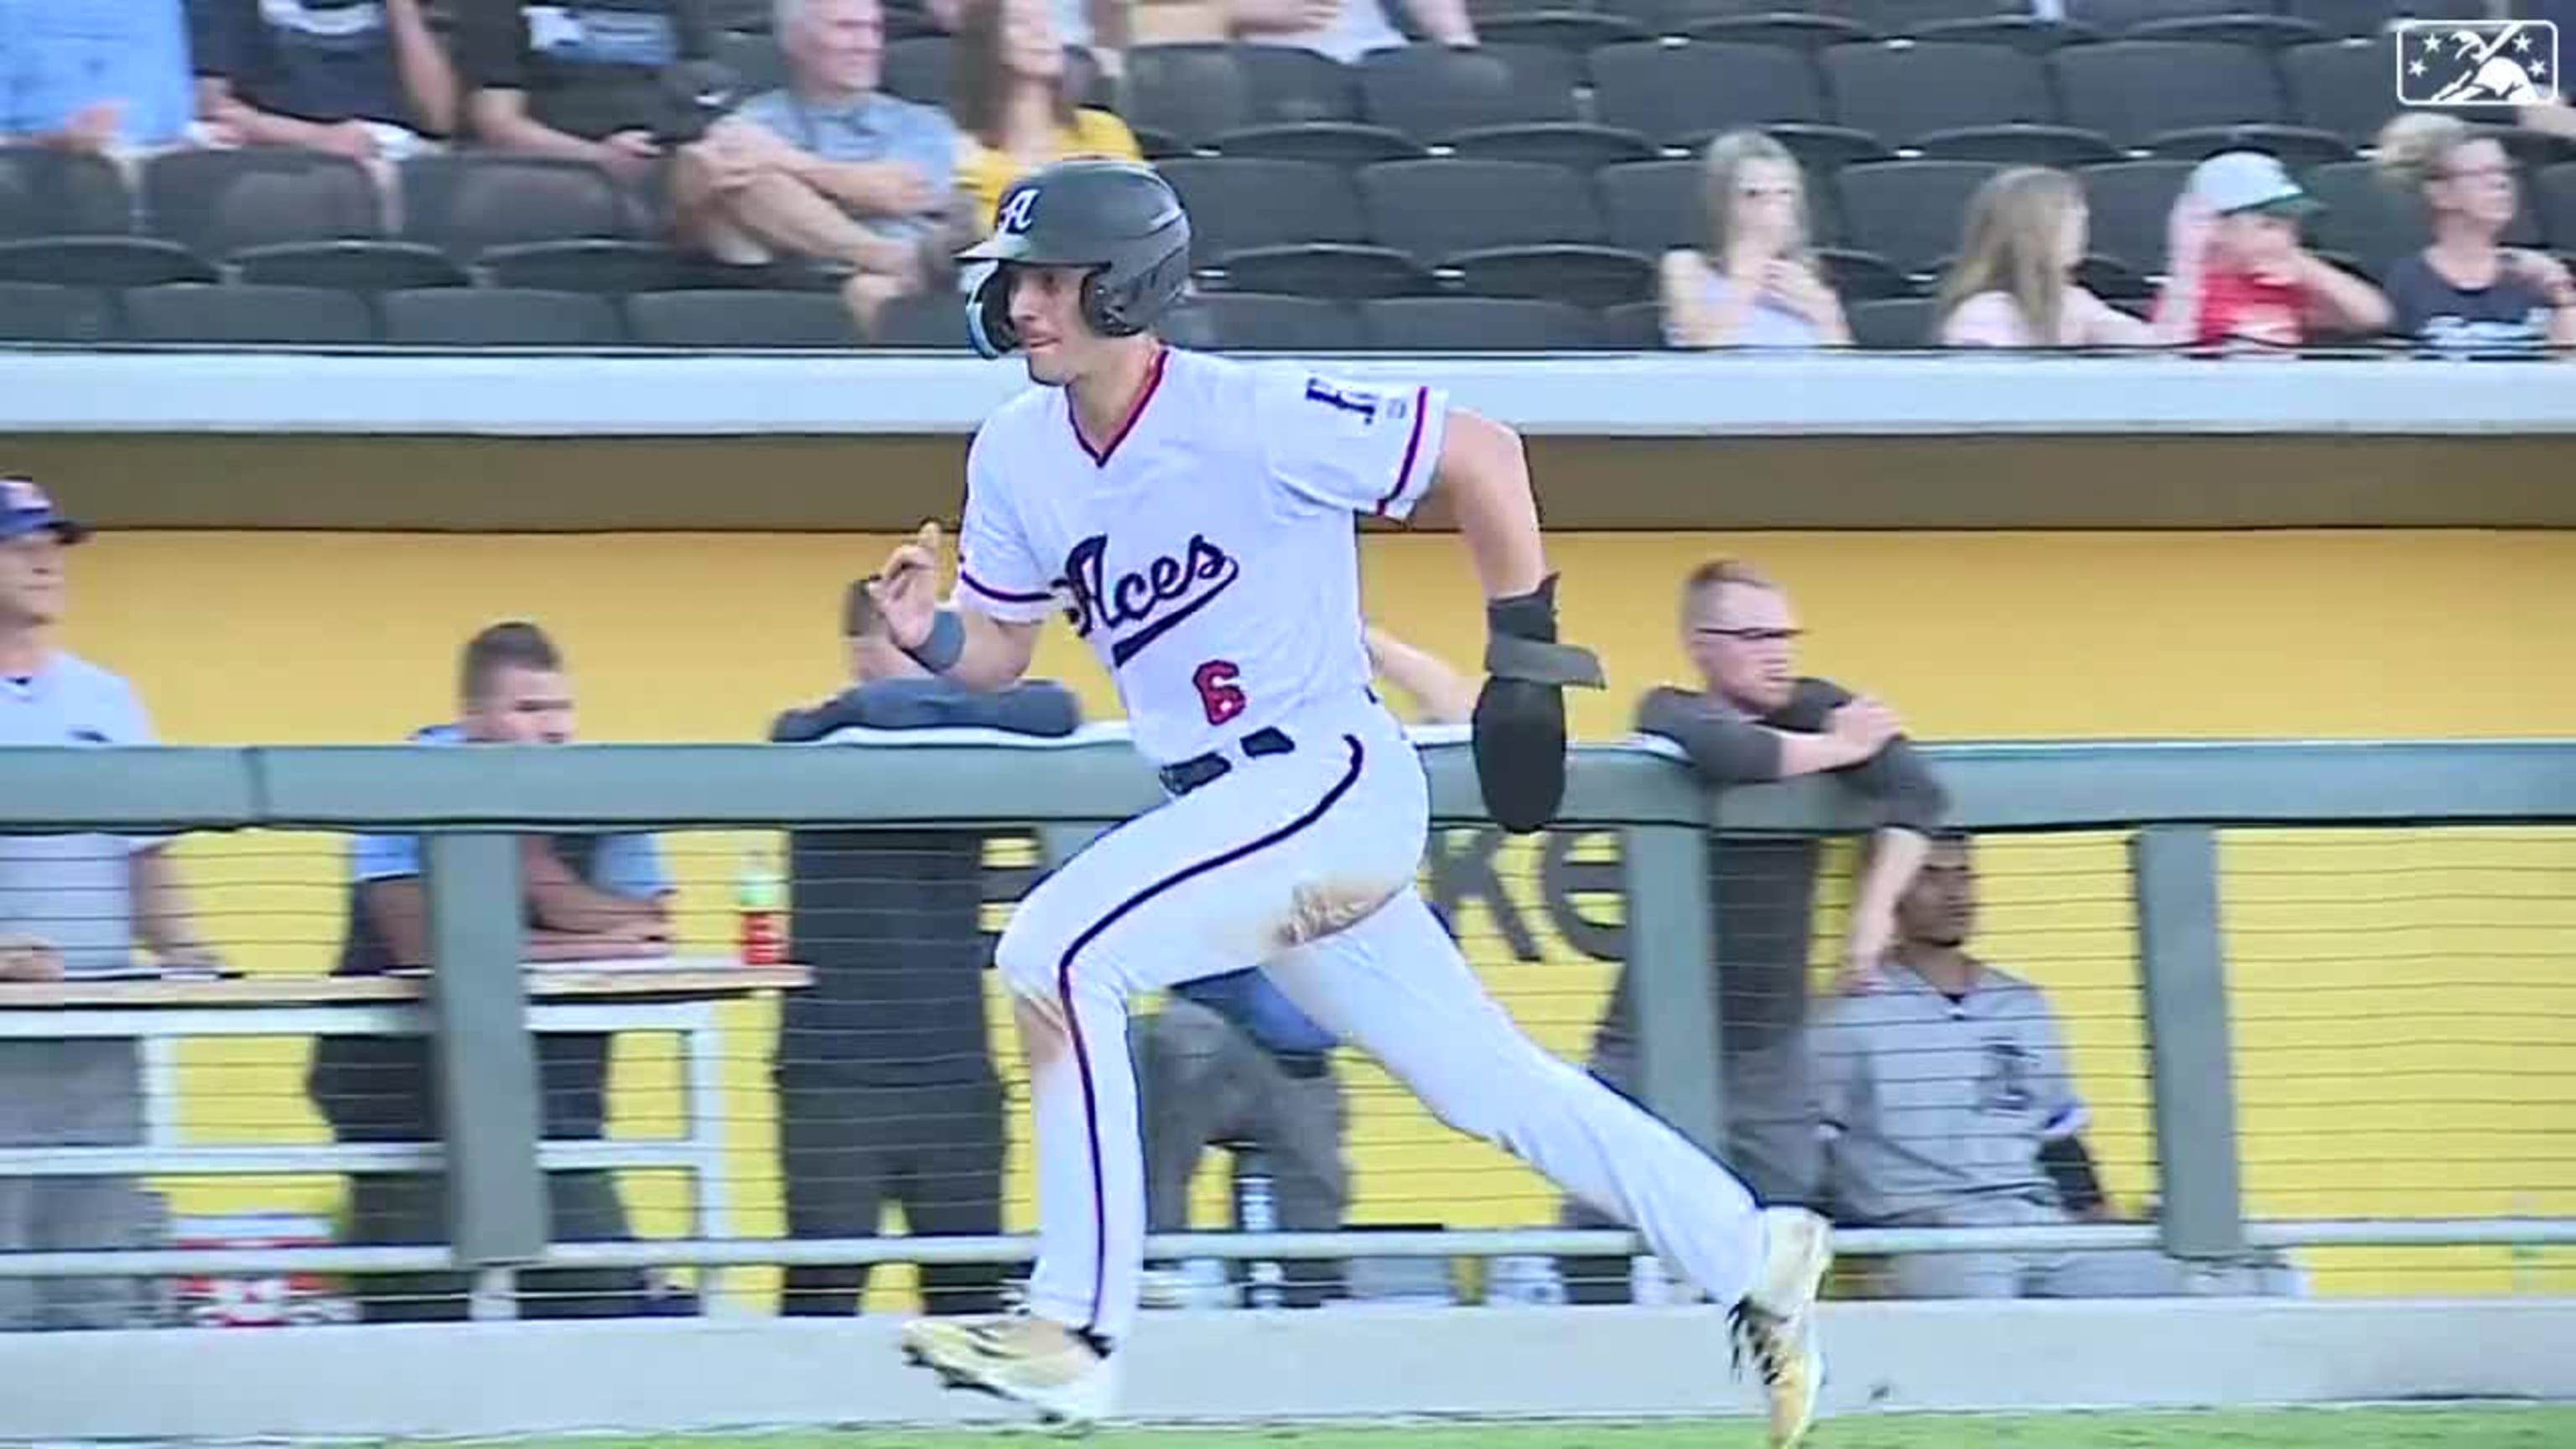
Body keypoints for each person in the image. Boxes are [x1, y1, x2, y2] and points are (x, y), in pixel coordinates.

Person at [874, 158, 1830, 1446]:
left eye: (1055, 279)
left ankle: (1077, 1329)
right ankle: (1751, 1249)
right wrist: (930, 639)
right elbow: (1000, 653)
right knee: (1490, 1084)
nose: (1027, 304)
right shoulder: (1015, 452)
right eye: (1020, 280)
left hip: (1318, 778)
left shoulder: (1252, 413)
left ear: (1132, 283)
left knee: (1056, 953)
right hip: (1241, 815)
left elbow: (1480, 452)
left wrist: (1526, 654)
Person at [307, 621, 682, 1322]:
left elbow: (656, 926)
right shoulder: (400, 784)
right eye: (529, 711)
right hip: (403, 1096)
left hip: (553, 1098)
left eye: (562, 709)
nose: (555, 729)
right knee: (416, 1313)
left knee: (596, 1298)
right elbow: (426, 946)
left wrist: (540, 880)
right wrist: (585, 929)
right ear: (473, 720)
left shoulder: (605, 787)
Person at [766, 577, 1081, 1318]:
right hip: (834, 1084)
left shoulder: (963, 747)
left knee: (970, 1302)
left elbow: (1058, 711)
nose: (936, 661)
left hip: (957, 1082)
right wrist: (976, 701)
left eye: (942, 643)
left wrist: (963, 698)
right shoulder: (819, 735)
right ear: (859, 653)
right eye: (912, 642)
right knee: (821, 1302)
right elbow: (874, 714)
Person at [1814, 833, 2285, 1300]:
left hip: (2039, 1226)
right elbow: (1812, 1152)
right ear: (1888, 888)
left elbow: (2057, 1134)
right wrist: (1870, 1241)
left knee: (2210, 1281)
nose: (1955, 893)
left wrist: (2097, 1214)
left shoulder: (2020, 1004)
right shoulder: (1846, 1017)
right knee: (1984, 1316)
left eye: (1965, 875)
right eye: (1931, 877)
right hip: (1934, 1238)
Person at [0, 477, 221, 1332]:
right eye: (20, 542)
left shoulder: (106, 697)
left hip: (98, 1033)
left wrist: (189, 957)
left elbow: (146, 856)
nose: (45, 560)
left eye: (53, 543)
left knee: (97, 1270)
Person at [673, 0, 958, 332]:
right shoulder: (754, 118)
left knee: (871, 290)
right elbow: (719, 178)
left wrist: (783, 161)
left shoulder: (923, 122)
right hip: (791, 276)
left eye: (874, 29)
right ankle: (890, 257)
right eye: (846, 28)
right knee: (736, 180)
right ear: (795, 40)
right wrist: (849, 191)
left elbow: (900, 193)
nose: (867, 44)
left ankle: (891, 263)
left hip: (907, 286)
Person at [2371, 112, 2576, 358]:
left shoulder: (2539, 275)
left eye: (2505, 172)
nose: (2501, 183)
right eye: (2484, 173)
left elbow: (2566, 368)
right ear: (2440, 193)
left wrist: (2562, 296)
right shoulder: (2407, 281)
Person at [2152, 151, 2390, 351]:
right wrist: (2188, 263)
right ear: (2216, 228)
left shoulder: (2289, 285)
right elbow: (2171, 347)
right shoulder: (2191, 289)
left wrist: (2303, 265)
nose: (2285, 238)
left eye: (2292, 227)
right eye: (2269, 226)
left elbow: (2371, 318)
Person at [188, 0, 461, 172]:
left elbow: (439, 118)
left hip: (393, 153)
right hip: (280, 156)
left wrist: (402, 8)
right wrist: (317, 138)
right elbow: (210, 104)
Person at [947, 0, 1140, 238]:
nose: (1042, 32)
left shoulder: (1106, 132)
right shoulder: (969, 158)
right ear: (988, 41)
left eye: (1047, 20)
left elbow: (1143, 219)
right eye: (1021, 22)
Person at [1658, 130, 1849, 351]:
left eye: (1784, 194)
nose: (1771, 207)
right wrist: (1746, 277)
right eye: (1753, 195)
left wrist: (1825, 313)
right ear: (1722, 202)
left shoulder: (1804, 271)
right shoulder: (1685, 266)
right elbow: (1702, 351)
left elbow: (1843, 367)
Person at [1935, 166, 2154, 351]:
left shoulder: (2074, 301)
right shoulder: (1983, 314)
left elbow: (2149, 345)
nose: (2081, 226)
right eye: (2066, 215)